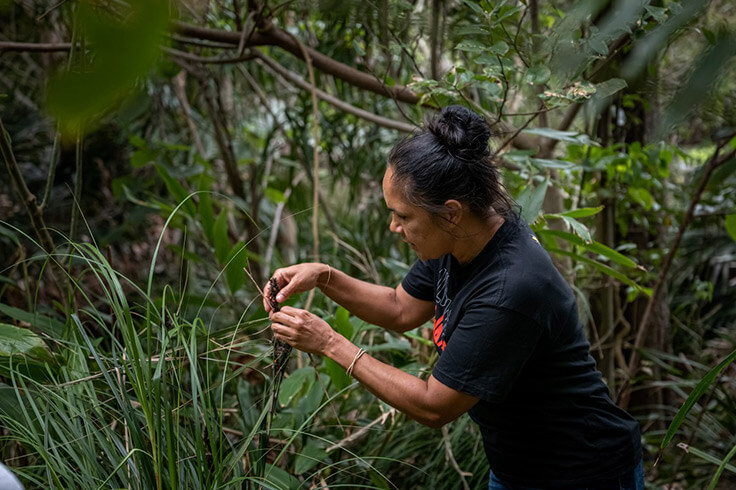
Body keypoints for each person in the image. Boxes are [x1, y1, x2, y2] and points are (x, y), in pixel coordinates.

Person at [265, 105, 644, 489]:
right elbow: (400, 308)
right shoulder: (460, 240)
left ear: (451, 213)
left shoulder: (509, 288)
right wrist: (323, 277)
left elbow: (434, 405)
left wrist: (330, 343)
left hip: (582, 472)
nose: (394, 226)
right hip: (517, 467)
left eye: (403, 216)